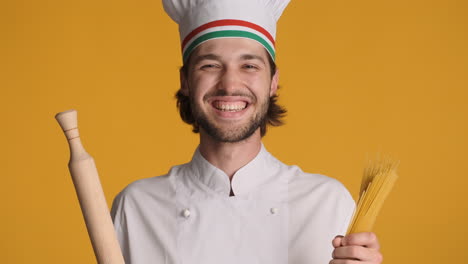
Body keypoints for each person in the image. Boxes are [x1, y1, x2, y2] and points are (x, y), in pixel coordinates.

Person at [111, 0, 383, 263]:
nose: (229, 84)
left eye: (249, 66)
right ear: (185, 81)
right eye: (210, 65)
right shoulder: (137, 207)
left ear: (273, 81)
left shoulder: (328, 203)